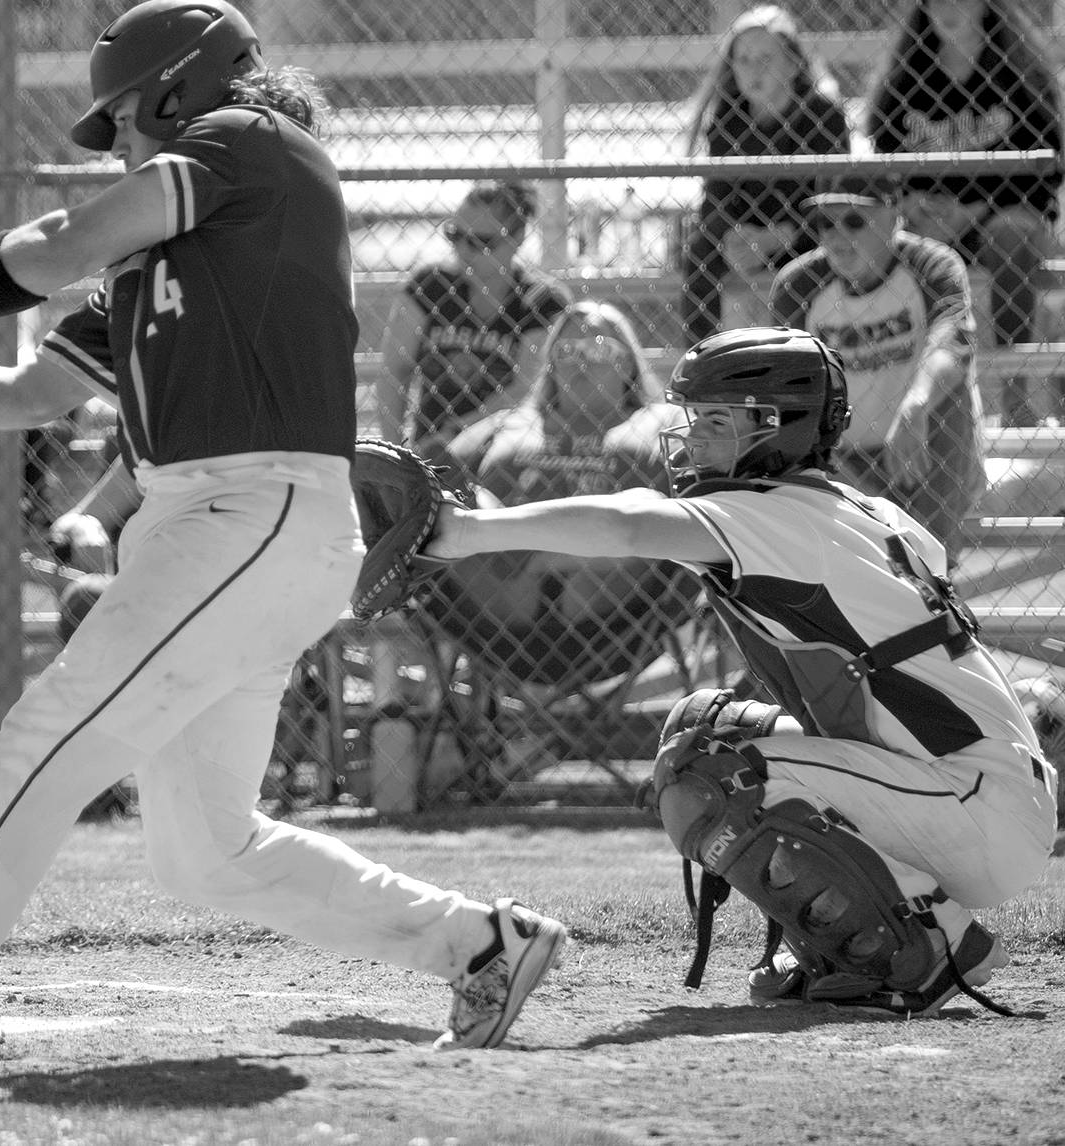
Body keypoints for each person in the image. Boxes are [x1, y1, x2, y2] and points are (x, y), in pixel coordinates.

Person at [0, 0, 566, 1088]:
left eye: (123, 120)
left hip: (250, 512)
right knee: (205, 849)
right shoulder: (160, 258)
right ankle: (481, 943)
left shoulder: (254, 143)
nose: (114, 144)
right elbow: (32, 389)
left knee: (43, 740)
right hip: (220, 532)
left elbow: (53, 244)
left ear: (182, 88)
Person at [422, 325, 1056, 1017]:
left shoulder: (775, 516)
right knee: (707, 727)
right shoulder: (864, 510)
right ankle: (876, 936)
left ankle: (926, 947)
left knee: (710, 773)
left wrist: (468, 533)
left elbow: (632, 524)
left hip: (970, 807)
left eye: (715, 422)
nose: (691, 439)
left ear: (776, 428)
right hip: (973, 792)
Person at [433, 300, 694, 688]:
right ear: (551, 364)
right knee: (444, 484)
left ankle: (518, 549)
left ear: (628, 363)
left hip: (615, 614)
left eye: (599, 349)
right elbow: (439, 475)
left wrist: (528, 551)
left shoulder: (663, 422)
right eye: (567, 351)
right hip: (494, 620)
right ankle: (515, 548)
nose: (580, 361)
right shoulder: (506, 424)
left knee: (646, 516)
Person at [866, 0, 1063, 427]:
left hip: (1002, 218)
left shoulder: (1018, 74)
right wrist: (912, 203)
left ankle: (1016, 392)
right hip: (929, 219)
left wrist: (973, 210)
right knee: (909, 247)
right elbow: (884, 163)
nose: (949, 10)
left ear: (986, 3)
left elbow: (1049, 165)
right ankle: (924, 399)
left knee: (1011, 235)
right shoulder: (906, 80)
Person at [770, 175, 985, 560]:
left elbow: (954, 345)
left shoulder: (930, 265)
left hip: (922, 446)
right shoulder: (798, 284)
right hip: (841, 458)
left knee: (949, 393)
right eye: (825, 223)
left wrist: (916, 406)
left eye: (854, 221)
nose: (836, 235)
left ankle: (933, 564)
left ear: (893, 216)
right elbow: (788, 386)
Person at [680, 4, 852, 343]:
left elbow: (832, 201)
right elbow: (716, 200)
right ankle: (700, 357)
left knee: (837, 232)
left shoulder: (822, 114)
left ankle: (812, 351)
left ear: (792, 64)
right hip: (748, 236)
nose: (752, 70)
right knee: (701, 247)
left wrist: (779, 237)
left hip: (804, 234)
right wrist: (735, 239)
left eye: (765, 59)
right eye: (742, 60)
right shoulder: (729, 118)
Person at [374, 179, 568, 462]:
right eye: (455, 235)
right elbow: (394, 373)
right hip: (430, 453)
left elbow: (528, 390)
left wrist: (458, 433)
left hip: (508, 452)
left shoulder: (541, 300)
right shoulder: (429, 287)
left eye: (481, 241)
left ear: (518, 238)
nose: (463, 250)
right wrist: (397, 455)